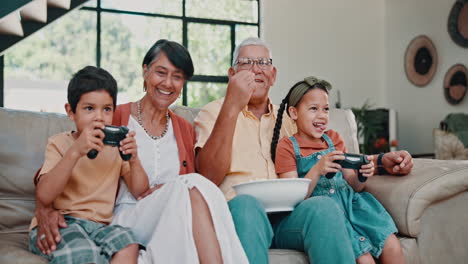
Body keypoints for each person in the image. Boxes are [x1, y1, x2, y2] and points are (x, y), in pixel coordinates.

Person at [194, 37, 413, 264]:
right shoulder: (213, 112)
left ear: (274, 75)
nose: (256, 69)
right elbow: (208, 176)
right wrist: (232, 104)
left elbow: (331, 154)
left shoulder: (291, 117)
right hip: (242, 215)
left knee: (323, 207)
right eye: (247, 62)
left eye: (263, 62)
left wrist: (380, 161)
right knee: (247, 204)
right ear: (232, 74)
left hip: (290, 218)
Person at [33, 39, 248, 264]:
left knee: (194, 186)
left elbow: (195, 185)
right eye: (161, 72)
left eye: (177, 76)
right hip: (125, 217)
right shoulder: (113, 116)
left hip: (171, 216)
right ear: (145, 71)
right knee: (192, 183)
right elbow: (63, 160)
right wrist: (43, 209)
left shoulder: (184, 128)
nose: (168, 82)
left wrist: (166, 188)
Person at [271, 76, 405, 264]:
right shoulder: (286, 147)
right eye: (313, 109)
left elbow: (354, 184)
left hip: (353, 205)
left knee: (392, 246)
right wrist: (316, 170)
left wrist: (362, 174)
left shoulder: (334, 138)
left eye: (326, 109)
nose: (322, 115)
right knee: (364, 259)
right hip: (329, 214)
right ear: (293, 113)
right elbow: (292, 199)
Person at [29, 66, 145, 264]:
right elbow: (44, 195)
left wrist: (134, 160)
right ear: (71, 111)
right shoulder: (59, 143)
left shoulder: (115, 148)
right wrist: (75, 152)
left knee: (129, 244)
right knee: (84, 253)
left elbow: (140, 190)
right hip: (64, 223)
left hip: (101, 226)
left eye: (106, 109)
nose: (99, 117)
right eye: (89, 108)